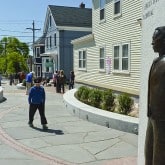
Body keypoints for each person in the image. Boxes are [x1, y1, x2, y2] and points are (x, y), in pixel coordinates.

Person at [145, 26, 165, 165]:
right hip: (151, 116)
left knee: (159, 158)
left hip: (162, 120)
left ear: (164, 41)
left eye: (155, 39)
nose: (152, 43)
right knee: (148, 153)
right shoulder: (155, 62)